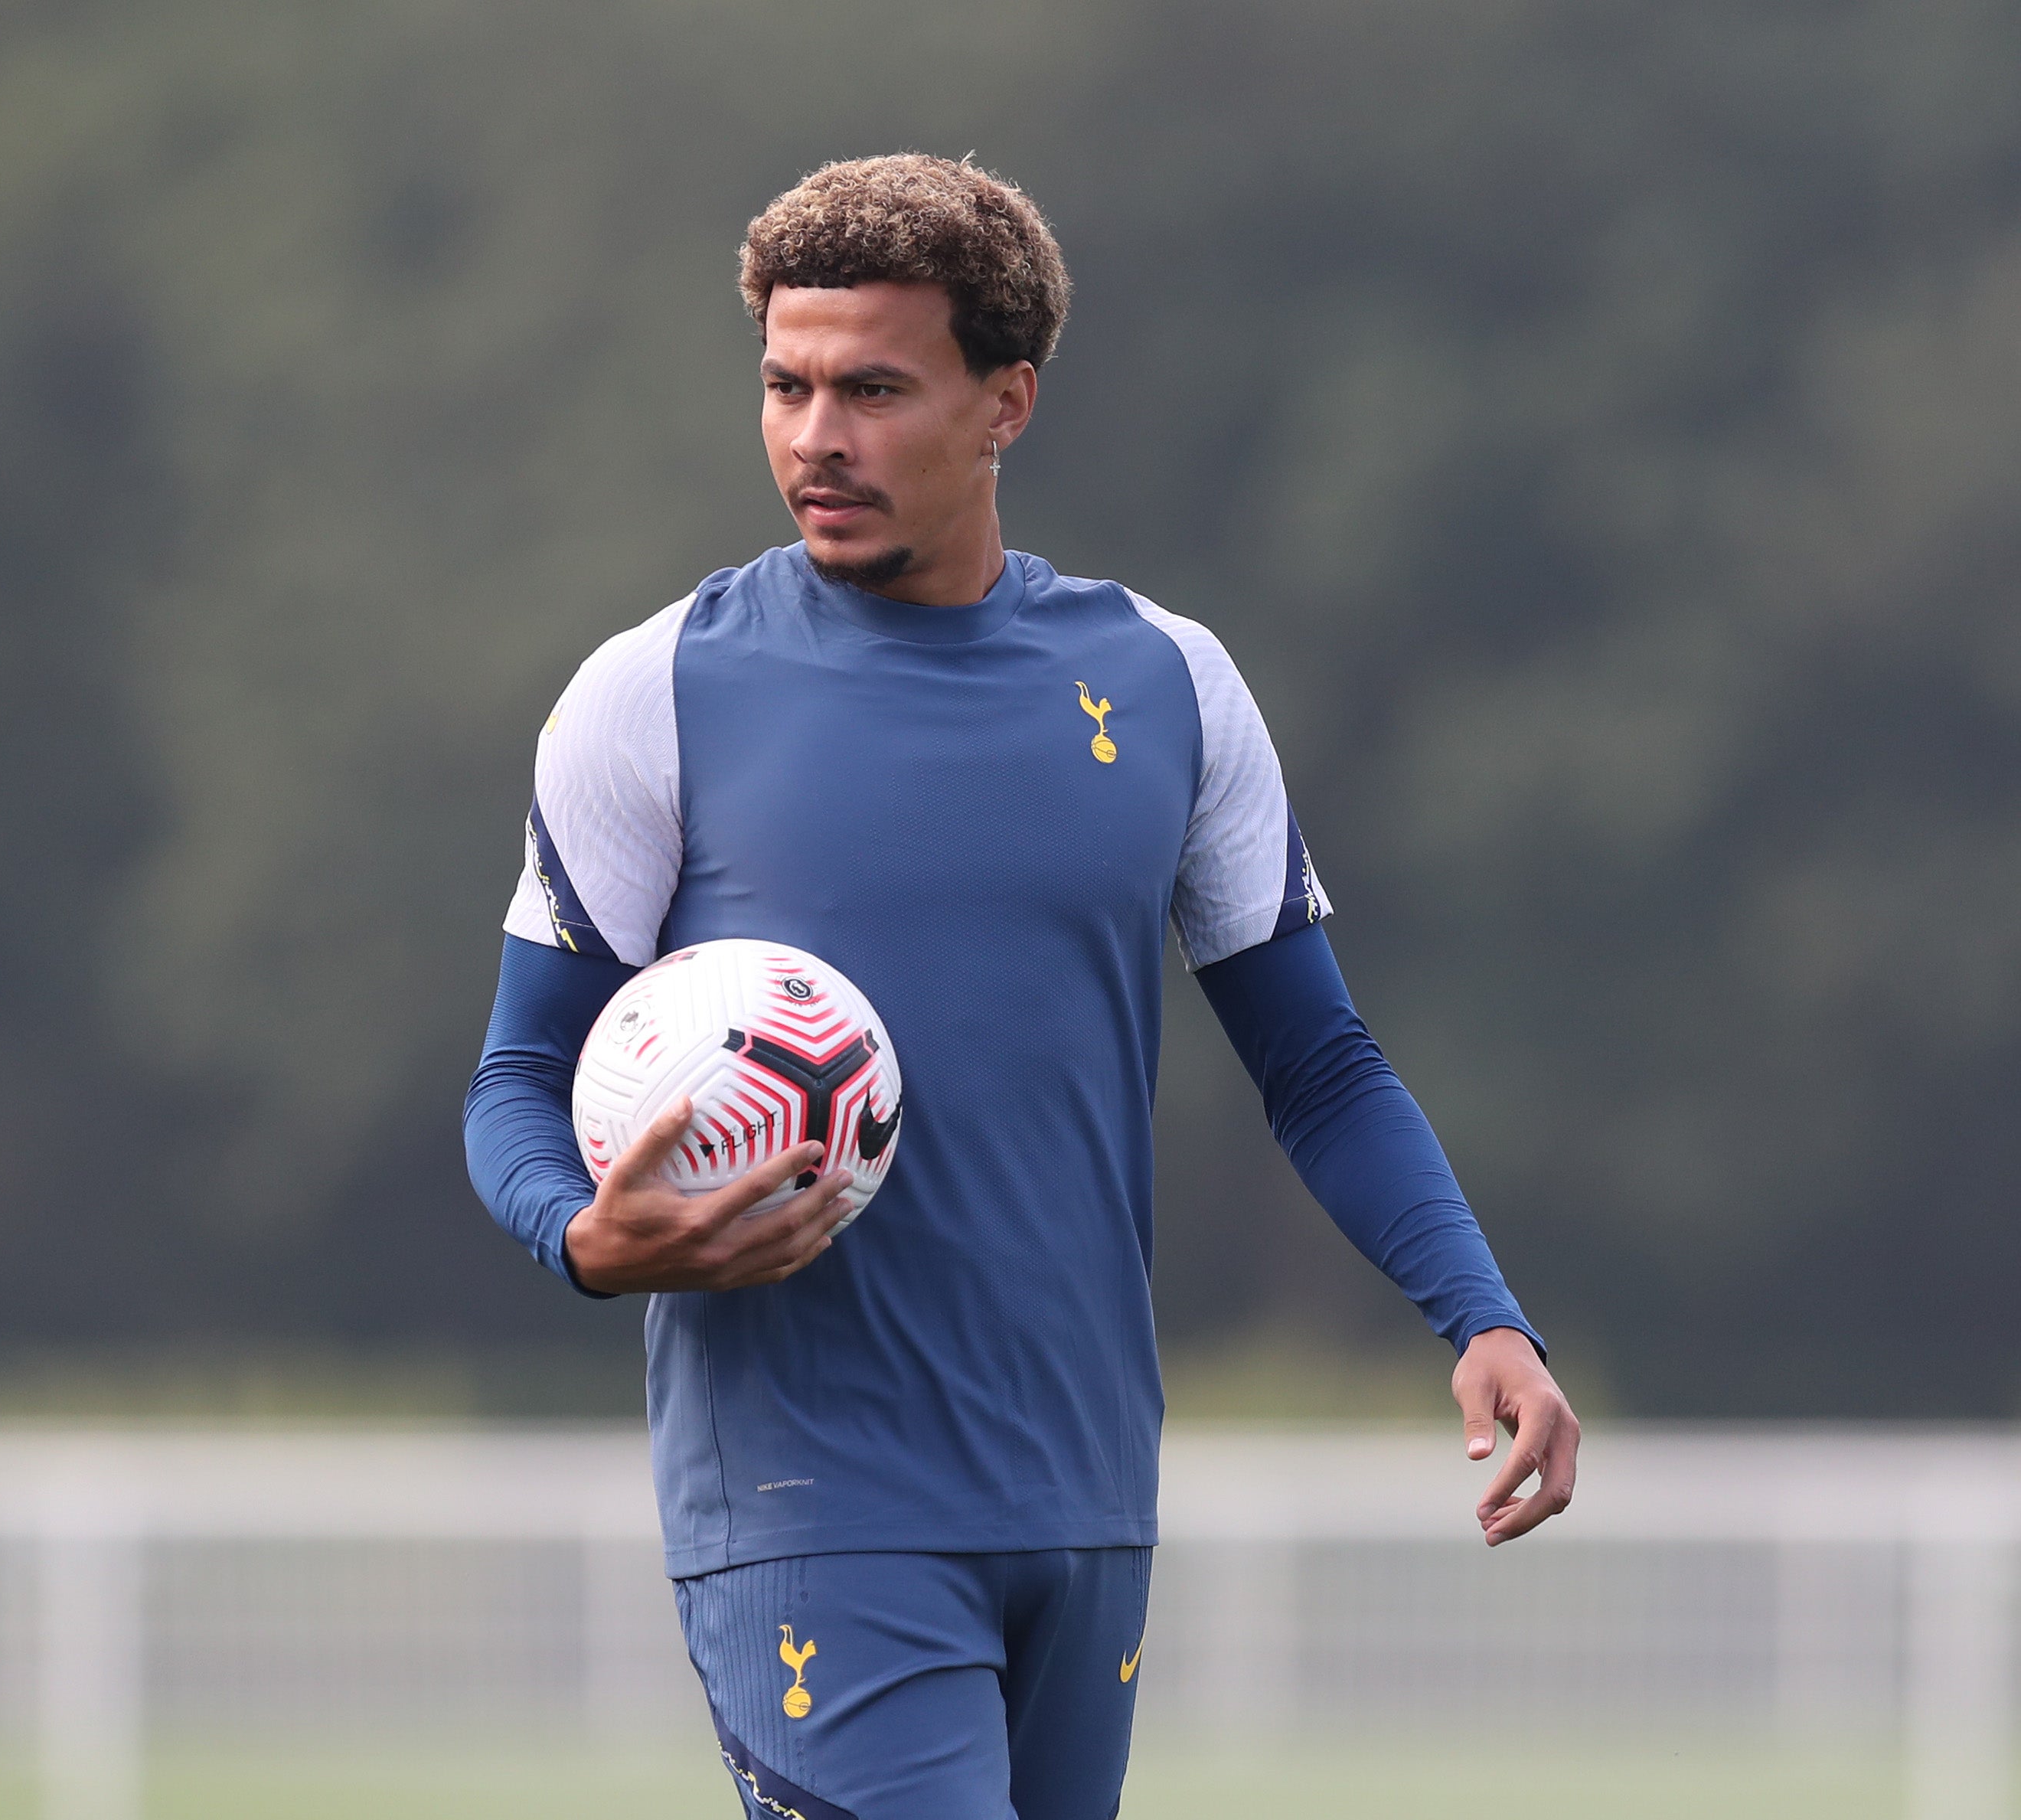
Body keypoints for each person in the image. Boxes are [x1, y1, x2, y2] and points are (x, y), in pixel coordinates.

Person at [463, 154, 1578, 1820]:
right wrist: (584, 1235)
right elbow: (511, 1084)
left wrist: (1480, 1308)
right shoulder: (654, 694)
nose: (812, 437)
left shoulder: (1169, 683)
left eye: (872, 389)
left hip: (1085, 1494)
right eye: (784, 384)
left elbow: (1320, 1064)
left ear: (1008, 402)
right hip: (808, 1504)